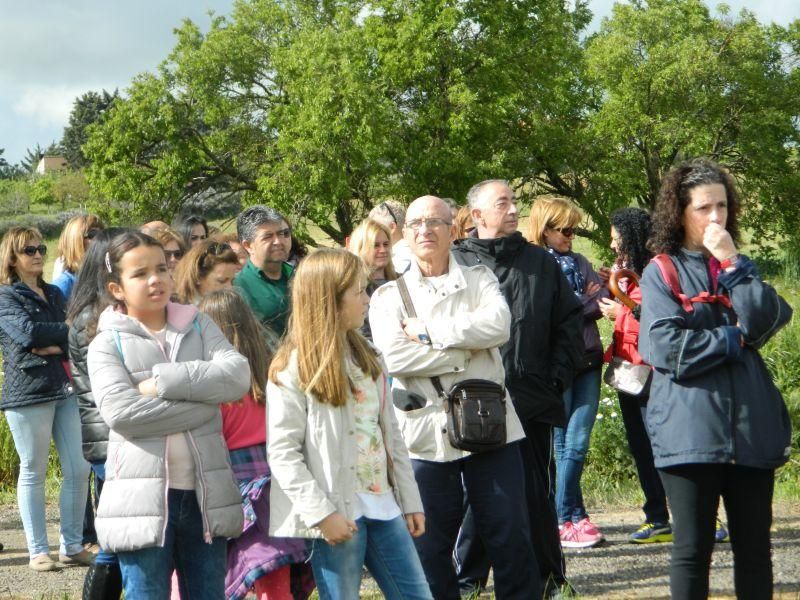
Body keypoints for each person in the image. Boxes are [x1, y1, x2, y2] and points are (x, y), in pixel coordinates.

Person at [370, 195, 540, 599]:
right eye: (415, 223)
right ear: (405, 234)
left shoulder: (479, 278)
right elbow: (396, 356)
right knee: (428, 545)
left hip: (490, 425)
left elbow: (498, 327)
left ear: (453, 230)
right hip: (424, 435)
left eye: (434, 222)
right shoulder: (387, 297)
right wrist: (467, 350)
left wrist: (428, 333)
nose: (424, 230)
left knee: (510, 537)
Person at [639, 158, 792, 599]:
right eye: (704, 208)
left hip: (750, 429)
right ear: (680, 211)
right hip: (688, 432)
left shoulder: (738, 266)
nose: (716, 218)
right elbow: (665, 349)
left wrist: (732, 262)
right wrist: (731, 338)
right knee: (692, 549)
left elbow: (763, 321)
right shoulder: (661, 270)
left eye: (722, 207)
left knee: (755, 550)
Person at [86, 231, 249, 598]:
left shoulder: (198, 324)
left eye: (161, 268)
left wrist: (162, 381)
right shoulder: (105, 344)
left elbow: (237, 376)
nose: (155, 279)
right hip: (140, 504)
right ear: (116, 288)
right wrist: (206, 405)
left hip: (205, 497)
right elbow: (123, 413)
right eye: (140, 273)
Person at [267, 248, 431, 600]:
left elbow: (390, 436)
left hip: (385, 507)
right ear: (330, 300)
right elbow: (283, 455)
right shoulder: (292, 370)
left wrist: (410, 499)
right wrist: (322, 514)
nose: (368, 299)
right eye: (359, 291)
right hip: (337, 512)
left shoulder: (369, 358)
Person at [452, 181, 583, 597]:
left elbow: (568, 326)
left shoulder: (540, 263)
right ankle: (468, 583)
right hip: (471, 402)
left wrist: (555, 379)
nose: (513, 210)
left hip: (531, 399)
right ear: (477, 216)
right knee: (477, 495)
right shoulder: (455, 263)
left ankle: (550, 581)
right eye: (502, 203)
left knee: (535, 495)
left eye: (514, 201)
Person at [198, 289, 314, 600]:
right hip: (276, 478)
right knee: (275, 578)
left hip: (229, 480)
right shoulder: (271, 370)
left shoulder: (211, 381)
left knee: (215, 572)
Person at [0, 227, 93, 572]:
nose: (38, 254)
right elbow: (28, 334)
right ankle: (38, 549)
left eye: (40, 248)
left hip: (64, 387)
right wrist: (58, 338)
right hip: (28, 393)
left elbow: (78, 333)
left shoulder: (54, 293)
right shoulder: (6, 296)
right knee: (33, 470)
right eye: (28, 250)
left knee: (78, 467)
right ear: (12, 256)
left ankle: (71, 545)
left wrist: (54, 344)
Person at [529, 197, 608, 549]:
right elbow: (546, 310)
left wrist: (575, 305)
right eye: (564, 230)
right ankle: (568, 517)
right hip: (556, 363)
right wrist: (581, 304)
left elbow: (600, 299)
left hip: (589, 359)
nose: (570, 236)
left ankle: (568, 515)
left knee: (576, 442)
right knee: (564, 445)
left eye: (574, 229)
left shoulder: (580, 261)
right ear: (544, 229)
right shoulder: (534, 263)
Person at [598, 208, 672, 544]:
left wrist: (619, 311)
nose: (613, 244)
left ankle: (703, 517)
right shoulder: (627, 272)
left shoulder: (660, 269)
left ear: (631, 235)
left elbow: (660, 318)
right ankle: (657, 517)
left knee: (667, 445)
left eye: (616, 237)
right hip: (627, 369)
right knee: (641, 447)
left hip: (653, 370)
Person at [67, 228, 129, 598]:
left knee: (116, 541)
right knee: (115, 542)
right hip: (110, 439)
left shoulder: (96, 312)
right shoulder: (94, 318)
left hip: (108, 438)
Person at [234, 205, 294, 337]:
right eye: (268, 237)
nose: (278, 241)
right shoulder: (238, 287)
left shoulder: (299, 275)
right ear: (248, 246)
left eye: (283, 233)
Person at [347, 218, 398, 341]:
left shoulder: (403, 280)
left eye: (386, 244)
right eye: (375, 245)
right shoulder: (355, 287)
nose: (383, 250)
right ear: (361, 248)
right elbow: (360, 333)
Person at [53, 214, 104, 301]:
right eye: (93, 234)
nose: (100, 239)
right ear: (76, 241)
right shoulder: (64, 285)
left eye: (102, 234)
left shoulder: (105, 276)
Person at [173, 240, 241, 304]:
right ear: (197, 276)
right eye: (221, 280)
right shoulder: (184, 312)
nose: (230, 287)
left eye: (232, 281)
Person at [368, 200, 413, 275]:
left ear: (392, 227)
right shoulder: (413, 252)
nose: (371, 233)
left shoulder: (401, 260)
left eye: (376, 227)